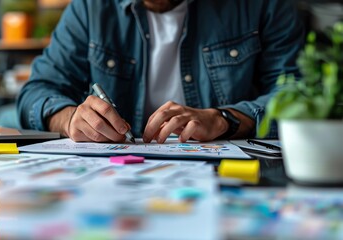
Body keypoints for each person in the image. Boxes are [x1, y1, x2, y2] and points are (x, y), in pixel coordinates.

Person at [17, 0, 304, 143]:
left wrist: (226, 119)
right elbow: (37, 91)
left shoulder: (262, 5)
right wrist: (70, 119)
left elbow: (299, 96)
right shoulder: (90, 8)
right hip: (115, 180)